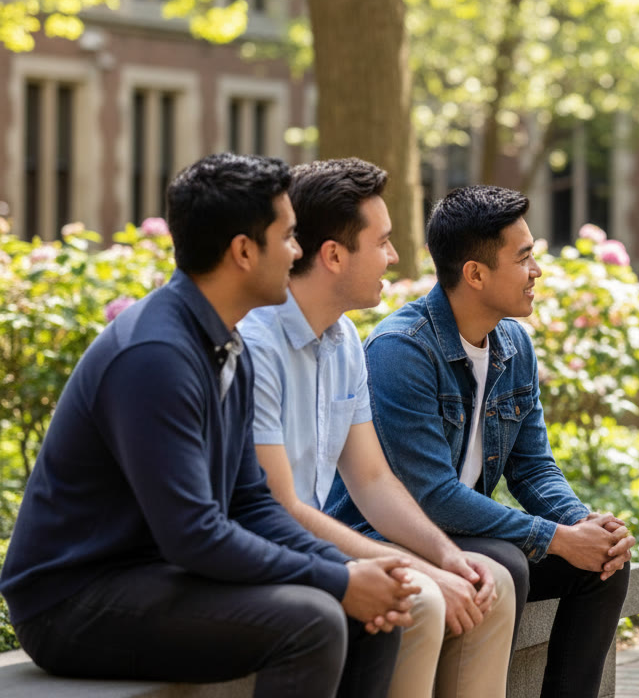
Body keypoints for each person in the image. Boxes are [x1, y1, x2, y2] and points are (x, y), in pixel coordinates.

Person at [0, 153, 415, 698]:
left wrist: (358, 568)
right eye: (288, 237)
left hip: (155, 575)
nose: (298, 252)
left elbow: (252, 504)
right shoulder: (155, 355)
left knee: (367, 608)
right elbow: (193, 535)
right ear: (244, 251)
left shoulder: (227, 342)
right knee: (315, 619)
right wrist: (338, 578)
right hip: (74, 600)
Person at [327, 185, 636, 698]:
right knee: (508, 564)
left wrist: (584, 524)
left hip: (466, 532)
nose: (537, 270)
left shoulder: (513, 344)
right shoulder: (400, 351)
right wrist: (556, 538)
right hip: (392, 536)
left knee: (605, 566)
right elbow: (432, 496)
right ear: (475, 273)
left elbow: (533, 468)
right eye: (525, 257)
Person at [238, 158, 516, 698]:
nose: (394, 257)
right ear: (334, 255)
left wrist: (445, 554)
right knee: (420, 598)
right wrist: (412, 568)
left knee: (492, 583)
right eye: (383, 242)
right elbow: (280, 509)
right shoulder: (256, 346)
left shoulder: (343, 341)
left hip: (314, 541)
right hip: (271, 547)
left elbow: (372, 479)